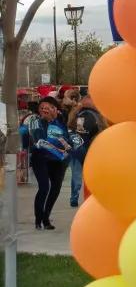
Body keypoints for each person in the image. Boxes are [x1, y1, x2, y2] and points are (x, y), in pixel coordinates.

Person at [22, 95, 73, 230]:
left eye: (49, 107)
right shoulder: (35, 121)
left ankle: (46, 218)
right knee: (44, 187)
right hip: (41, 158)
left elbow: (69, 138)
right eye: (42, 108)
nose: (45, 110)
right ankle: (38, 220)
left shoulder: (63, 119)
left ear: (56, 109)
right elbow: (39, 140)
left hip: (59, 160)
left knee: (55, 189)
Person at [69, 92, 102, 207]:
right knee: (79, 176)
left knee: (78, 176)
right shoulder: (87, 115)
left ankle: (76, 198)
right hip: (83, 149)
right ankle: (76, 198)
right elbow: (81, 133)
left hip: (81, 148)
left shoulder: (83, 114)